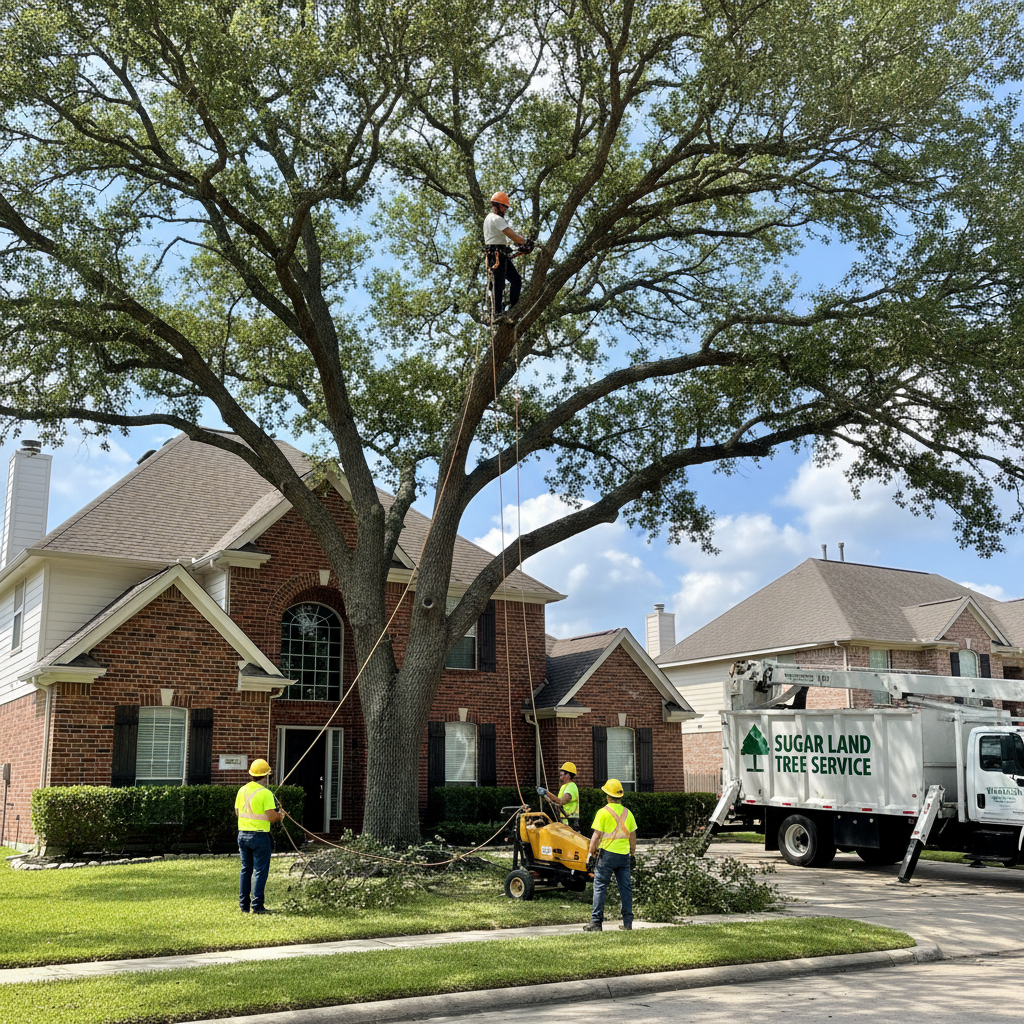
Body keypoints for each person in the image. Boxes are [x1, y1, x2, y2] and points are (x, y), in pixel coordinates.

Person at [583, 778, 637, 932]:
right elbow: (632, 837)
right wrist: (631, 853)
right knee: (625, 888)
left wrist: (591, 853)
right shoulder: (628, 813)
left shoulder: (603, 813)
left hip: (606, 855)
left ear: (607, 795)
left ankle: (596, 923)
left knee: (600, 886)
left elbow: (596, 836)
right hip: (623, 856)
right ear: (620, 796)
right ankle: (627, 923)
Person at [235, 757, 285, 914]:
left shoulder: (242, 790)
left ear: (251, 774)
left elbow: (238, 812)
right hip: (259, 837)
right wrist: (281, 815)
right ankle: (258, 906)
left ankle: (244, 906)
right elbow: (272, 817)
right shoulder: (265, 793)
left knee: (245, 870)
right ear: (266, 776)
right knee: (260, 871)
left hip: (242, 835)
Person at [483, 190, 531, 315]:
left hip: (498, 254)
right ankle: (497, 313)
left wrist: (517, 246)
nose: (505, 210)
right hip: (497, 256)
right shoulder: (497, 219)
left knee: (516, 280)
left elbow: (498, 239)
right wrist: (525, 242)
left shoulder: (488, 218)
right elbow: (513, 236)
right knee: (499, 284)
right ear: (498, 206)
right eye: (504, 207)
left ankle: (513, 308)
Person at [536, 761, 581, 831]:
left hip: (571, 825)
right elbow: (557, 804)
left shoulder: (571, 787)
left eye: (562, 771)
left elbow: (561, 802)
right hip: (565, 823)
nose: (560, 773)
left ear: (568, 774)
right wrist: (547, 797)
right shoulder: (564, 787)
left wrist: (546, 792)